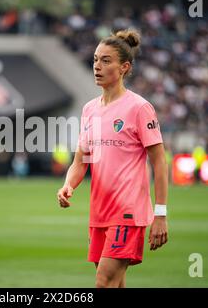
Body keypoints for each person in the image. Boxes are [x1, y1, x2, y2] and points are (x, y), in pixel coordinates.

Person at [56, 28, 169, 288]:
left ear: (124, 67)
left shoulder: (139, 108)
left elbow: (159, 162)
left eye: (106, 60)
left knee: (103, 282)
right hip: (100, 212)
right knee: (115, 284)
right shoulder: (89, 110)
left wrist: (160, 215)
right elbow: (80, 161)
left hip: (127, 212)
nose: (97, 66)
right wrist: (68, 185)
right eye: (95, 59)